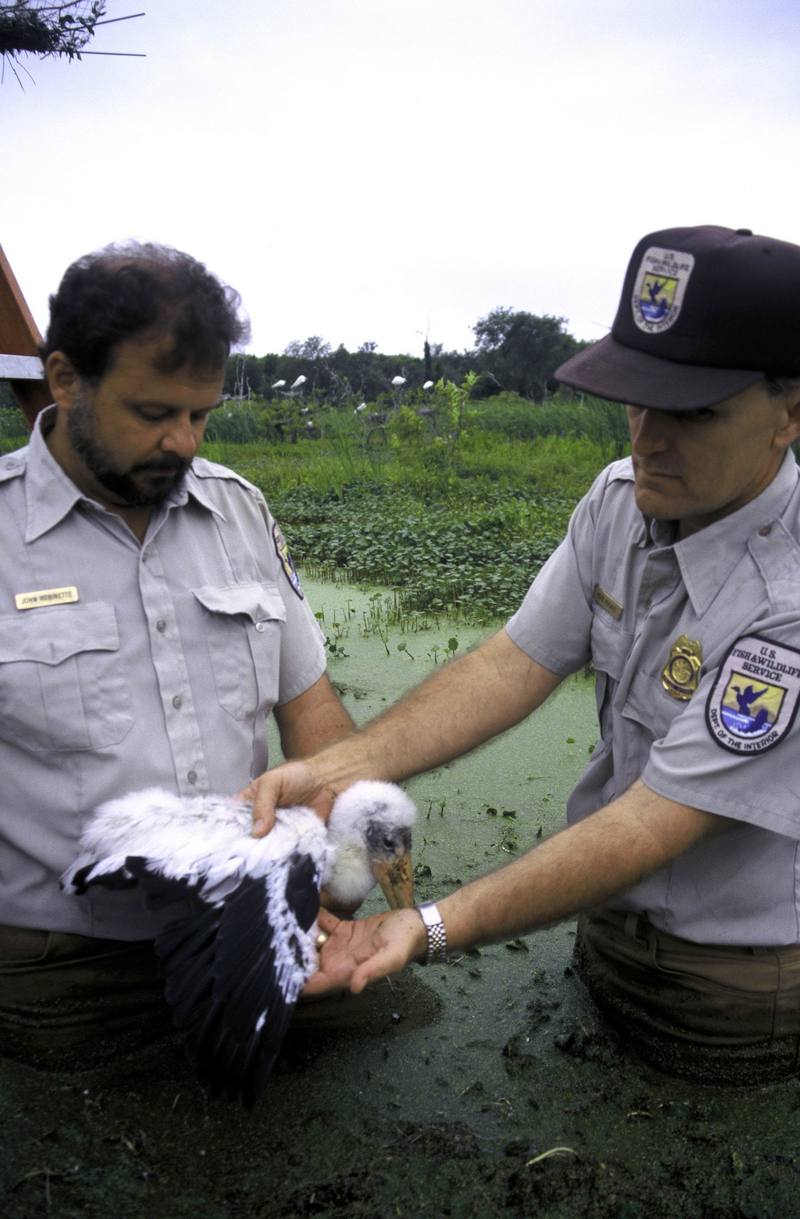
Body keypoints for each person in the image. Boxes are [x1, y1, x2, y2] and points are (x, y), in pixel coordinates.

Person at [247, 225, 800, 1083]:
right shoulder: (620, 501)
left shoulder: (790, 600)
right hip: (600, 926)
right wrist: (340, 766)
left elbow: (655, 820)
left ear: (789, 413)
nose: (648, 437)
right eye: (637, 398)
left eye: (693, 412)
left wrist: (425, 925)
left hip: (725, 988)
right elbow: (511, 663)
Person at [0, 241, 354, 1066]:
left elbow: (315, 715)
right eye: (154, 414)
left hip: (253, 919)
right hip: (64, 957)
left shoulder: (239, 512)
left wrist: (335, 882)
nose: (184, 444)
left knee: (401, 1026)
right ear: (64, 380)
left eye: (200, 415)